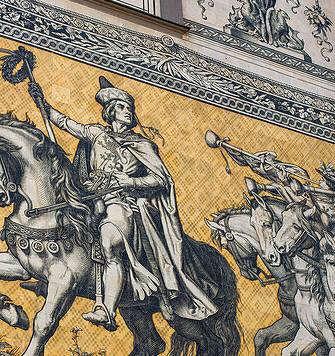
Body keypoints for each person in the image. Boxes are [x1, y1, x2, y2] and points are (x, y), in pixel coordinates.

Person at [37, 77, 217, 330]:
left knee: (110, 241)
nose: (128, 111)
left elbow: (161, 179)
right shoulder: (96, 133)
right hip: (88, 198)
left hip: (121, 202)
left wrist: (130, 182)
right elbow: (66, 123)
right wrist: (42, 103)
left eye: (129, 108)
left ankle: (106, 310)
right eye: (122, 107)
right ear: (110, 111)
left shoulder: (142, 145)